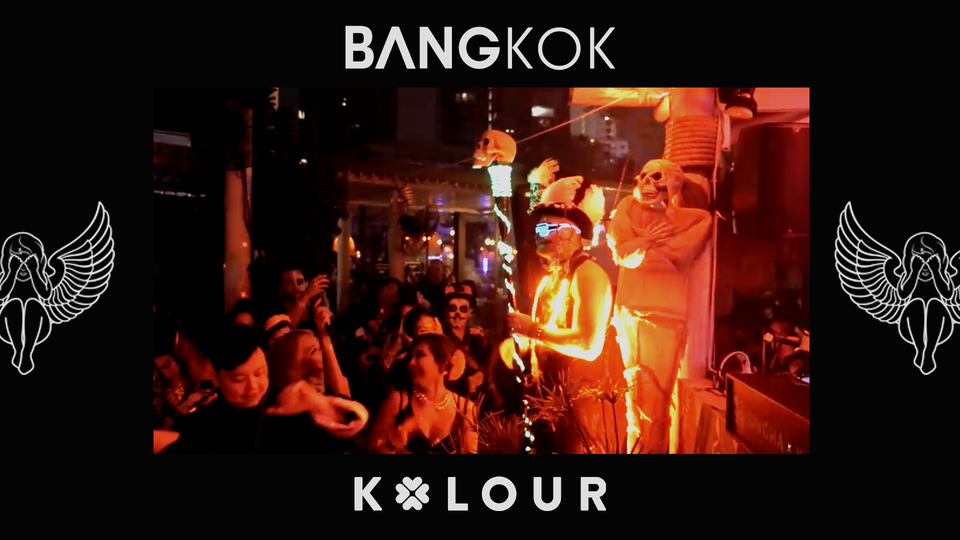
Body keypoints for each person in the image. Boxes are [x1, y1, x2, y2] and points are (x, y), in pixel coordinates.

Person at [504, 168, 616, 454]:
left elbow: (588, 345)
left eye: (546, 229)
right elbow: (546, 337)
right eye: (538, 229)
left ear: (570, 233)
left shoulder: (588, 274)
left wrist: (533, 330)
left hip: (580, 405)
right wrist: (524, 346)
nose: (538, 235)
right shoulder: (551, 278)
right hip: (549, 402)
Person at [159, 324, 367, 454]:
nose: (253, 386)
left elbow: (349, 435)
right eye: (239, 379)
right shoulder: (200, 423)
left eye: (259, 373)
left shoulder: (289, 406)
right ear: (215, 376)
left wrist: (319, 403)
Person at [368, 334, 478, 454]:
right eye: (410, 357)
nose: (411, 363)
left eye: (420, 355)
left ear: (442, 362)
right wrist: (390, 445)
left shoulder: (466, 409)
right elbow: (369, 451)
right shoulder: (398, 401)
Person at [441, 283, 488, 399]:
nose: (457, 314)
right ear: (446, 310)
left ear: (470, 312)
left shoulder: (477, 340)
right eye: (453, 308)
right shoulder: (439, 339)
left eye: (463, 309)